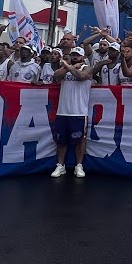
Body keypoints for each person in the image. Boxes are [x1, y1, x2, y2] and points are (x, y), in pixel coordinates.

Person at [49, 48, 94, 178]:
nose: (75, 57)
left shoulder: (87, 68)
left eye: (77, 55)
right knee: (61, 140)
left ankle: (78, 165)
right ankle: (60, 165)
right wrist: (71, 66)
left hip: (79, 111)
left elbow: (81, 76)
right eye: (73, 55)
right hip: (63, 110)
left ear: (83, 57)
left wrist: (69, 67)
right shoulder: (66, 68)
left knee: (80, 140)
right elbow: (56, 76)